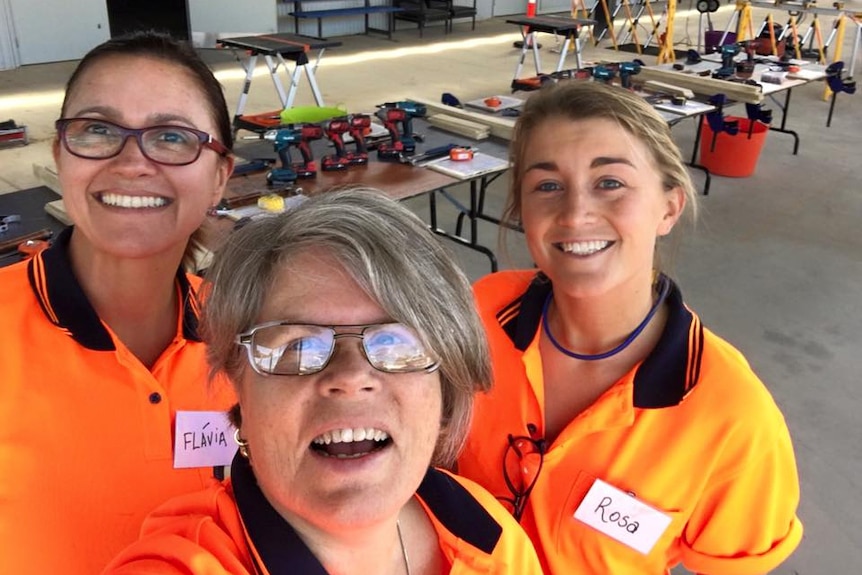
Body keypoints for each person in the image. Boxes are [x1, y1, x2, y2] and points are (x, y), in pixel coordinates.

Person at [456, 81, 803, 575]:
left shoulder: (734, 418)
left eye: (610, 182)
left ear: (668, 207)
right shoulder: (479, 314)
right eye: (548, 186)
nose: (575, 214)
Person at [104, 188, 544, 574]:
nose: (351, 377)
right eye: (297, 347)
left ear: (444, 394)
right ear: (240, 394)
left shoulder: (486, 527)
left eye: (396, 342)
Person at [0, 32, 236, 574]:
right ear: (61, 154)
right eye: (98, 129)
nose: (132, 163)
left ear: (220, 176)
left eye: (173, 137)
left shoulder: (248, 338)